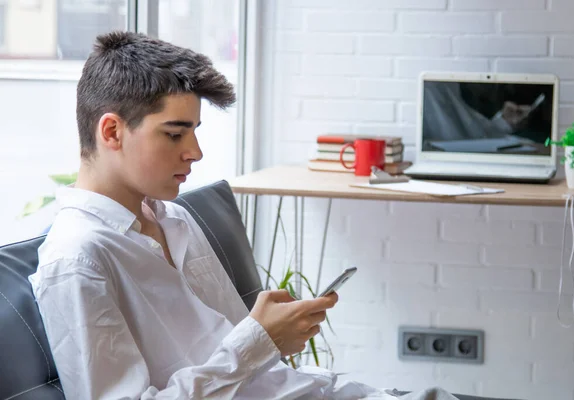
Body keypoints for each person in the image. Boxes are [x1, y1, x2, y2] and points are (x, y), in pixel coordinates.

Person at [28, 31, 408, 400]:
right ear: (112, 131)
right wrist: (259, 341)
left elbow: (240, 358)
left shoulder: (176, 219)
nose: (195, 152)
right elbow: (242, 354)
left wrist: (271, 338)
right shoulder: (77, 260)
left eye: (194, 132)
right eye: (175, 134)